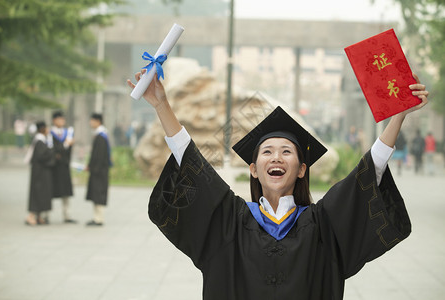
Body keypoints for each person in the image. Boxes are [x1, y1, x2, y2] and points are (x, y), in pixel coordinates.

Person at [127, 71, 428, 299]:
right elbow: (191, 163)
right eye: (267, 152)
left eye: (287, 152)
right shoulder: (229, 222)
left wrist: (399, 116)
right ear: (253, 169)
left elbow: (368, 173)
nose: (277, 157)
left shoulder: (323, 225)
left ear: (301, 170)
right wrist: (161, 104)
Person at [24, 121, 55, 226]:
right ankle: (31, 216)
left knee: (42, 194)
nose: (48, 130)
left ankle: (39, 216)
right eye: (46, 128)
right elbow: (42, 156)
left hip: (42, 173)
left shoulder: (40, 140)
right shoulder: (39, 141)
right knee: (37, 194)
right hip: (39, 174)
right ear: (42, 129)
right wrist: (51, 151)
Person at [50, 111, 77, 223]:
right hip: (54, 168)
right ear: (54, 120)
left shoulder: (67, 133)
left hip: (64, 167)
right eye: (59, 119)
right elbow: (53, 150)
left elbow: (66, 151)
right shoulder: (50, 134)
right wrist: (65, 145)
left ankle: (67, 215)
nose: (61, 121)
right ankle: (45, 215)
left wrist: (67, 146)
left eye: (63, 119)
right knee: (50, 191)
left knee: (66, 193)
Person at [85, 113, 111, 226]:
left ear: (98, 121)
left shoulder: (101, 136)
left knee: (98, 193)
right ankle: (96, 217)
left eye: (92, 121)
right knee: (96, 193)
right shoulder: (100, 135)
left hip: (99, 171)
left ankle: (99, 219)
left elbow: (99, 156)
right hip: (98, 170)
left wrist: (94, 168)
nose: (90, 123)